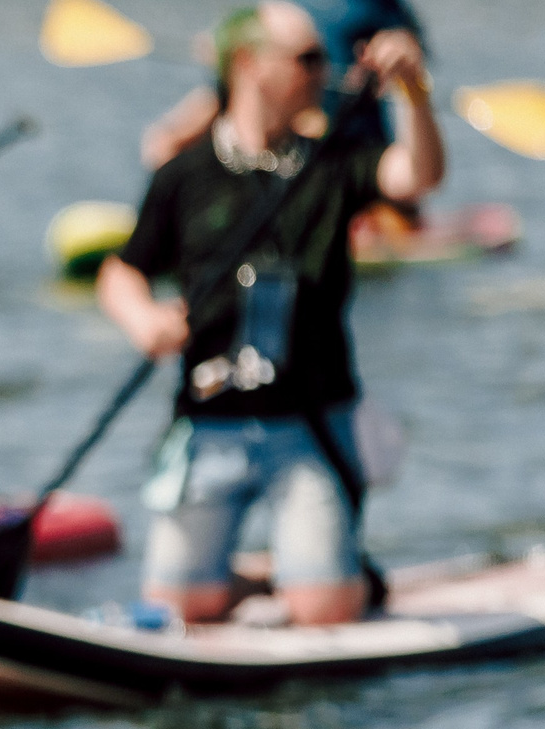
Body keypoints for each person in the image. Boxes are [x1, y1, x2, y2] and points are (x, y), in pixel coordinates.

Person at [98, 3, 443, 627]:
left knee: (322, 612)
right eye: (308, 59)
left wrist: (415, 96)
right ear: (249, 65)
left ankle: (324, 574)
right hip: (209, 423)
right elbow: (122, 271)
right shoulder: (185, 172)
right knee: (179, 611)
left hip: (309, 426)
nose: (324, 72)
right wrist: (144, 321)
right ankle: (261, 573)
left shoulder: (333, 161)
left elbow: (416, 177)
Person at [142, 0, 427, 169]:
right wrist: (221, 44)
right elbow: (244, 33)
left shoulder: (377, 6)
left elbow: (412, 49)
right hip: (276, 98)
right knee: (164, 142)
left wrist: (393, 60)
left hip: (344, 127)